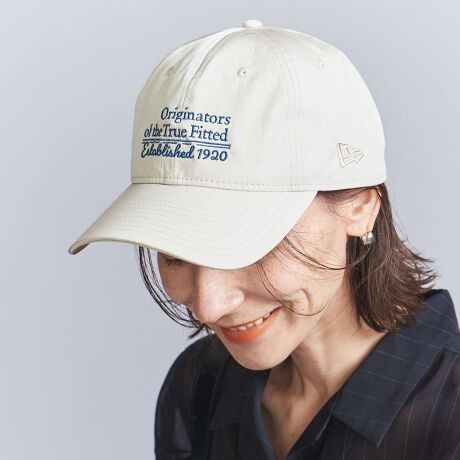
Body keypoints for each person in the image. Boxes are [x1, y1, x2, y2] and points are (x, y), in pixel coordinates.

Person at [68, 19, 460, 460]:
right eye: (174, 252)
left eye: (249, 241)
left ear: (359, 206)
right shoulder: (199, 387)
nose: (208, 306)